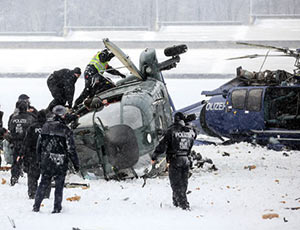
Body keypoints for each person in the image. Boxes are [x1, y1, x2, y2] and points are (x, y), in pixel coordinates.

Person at [33, 105, 80, 213]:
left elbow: (39, 145)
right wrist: (76, 164)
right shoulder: (66, 130)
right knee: (59, 185)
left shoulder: (45, 126)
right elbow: (71, 149)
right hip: (61, 160)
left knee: (43, 183)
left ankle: (36, 205)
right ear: (63, 115)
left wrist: (39, 159)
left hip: (46, 159)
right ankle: (57, 207)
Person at [151, 112, 196, 210]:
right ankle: (176, 201)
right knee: (183, 183)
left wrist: (154, 156)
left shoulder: (172, 131)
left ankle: (183, 204)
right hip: (186, 160)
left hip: (175, 160)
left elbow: (162, 145)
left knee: (175, 183)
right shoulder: (190, 132)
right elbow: (193, 135)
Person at [21, 110, 51, 199]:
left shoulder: (32, 127)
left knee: (33, 175)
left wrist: (24, 154)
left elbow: (27, 142)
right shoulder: (49, 127)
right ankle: (46, 193)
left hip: (34, 154)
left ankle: (32, 193)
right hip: (46, 154)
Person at [8, 101, 35, 186]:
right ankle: (31, 180)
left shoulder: (13, 118)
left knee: (16, 161)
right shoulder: (31, 118)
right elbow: (33, 130)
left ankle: (14, 177)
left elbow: (10, 129)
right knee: (30, 162)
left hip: (16, 142)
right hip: (27, 143)